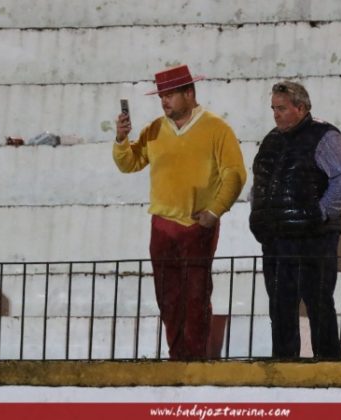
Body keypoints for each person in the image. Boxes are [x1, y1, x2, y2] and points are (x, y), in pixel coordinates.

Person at [113, 64, 247, 360]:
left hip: (197, 222)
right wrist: (122, 140)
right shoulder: (155, 128)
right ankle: (177, 356)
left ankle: (196, 359)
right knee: (168, 297)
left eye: (170, 95)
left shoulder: (216, 128)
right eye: (161, 96)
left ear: (189, 93)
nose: (164, 101)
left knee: (196, 296)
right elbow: (130, 164)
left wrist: (214, 211)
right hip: (162, 223)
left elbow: (235, 173)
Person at [249, 81, 341, 360]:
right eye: (274, 108)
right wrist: (260, 216)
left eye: (282, 108)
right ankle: (285, 366)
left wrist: (321, 213)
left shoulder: (325, 136)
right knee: (280, 307)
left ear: (301, 107)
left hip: (314, 237)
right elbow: (262, 183)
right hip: (277, 238)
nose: (276, 114)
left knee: (318, 303)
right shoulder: (273, 139)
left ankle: (328, 365)